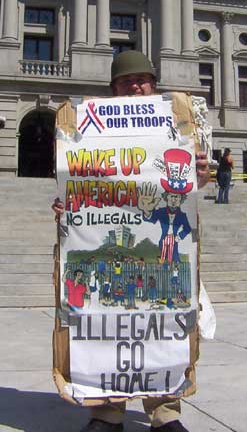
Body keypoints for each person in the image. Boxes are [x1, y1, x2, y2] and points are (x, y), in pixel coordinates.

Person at [53, 50, 210, 432]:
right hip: (107, 230)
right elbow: (72, 182)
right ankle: (107, 411)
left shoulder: (174, 125)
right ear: (114, 89)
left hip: (163, 243)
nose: (134, 86)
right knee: (109, 319)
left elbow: (187, 187)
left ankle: (164, 410)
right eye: (126, 81)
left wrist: (201, 173)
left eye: (142, 80)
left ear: (153, 86)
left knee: (163, 319)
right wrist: (66, 204)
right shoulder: (91, 132)